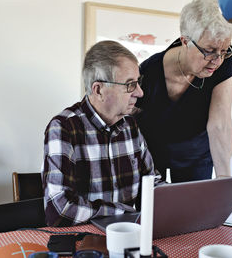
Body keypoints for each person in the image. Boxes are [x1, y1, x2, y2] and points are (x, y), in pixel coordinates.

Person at [42, 40, 158, 226]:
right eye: (130, 85)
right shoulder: (63, 127)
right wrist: (123, 211)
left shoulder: (131, 126)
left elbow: (151, 184)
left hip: (128, 233)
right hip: (85, 240)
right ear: (99, 90)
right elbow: (59, 209)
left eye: (138, 82)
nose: (140, 92)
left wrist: (180, 200)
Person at [135, 0, 232, 183]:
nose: (217, 61)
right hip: (152, 152)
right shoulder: (148, 72)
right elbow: (130, 125)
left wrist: (225, 180)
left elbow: (220, 124)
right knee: (154, 209)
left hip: (196, 155)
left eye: (224, 51)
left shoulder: (223, 63)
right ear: (185, 41)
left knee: (194, 209)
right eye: (209, 51)